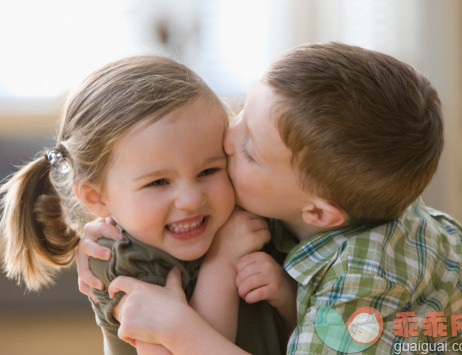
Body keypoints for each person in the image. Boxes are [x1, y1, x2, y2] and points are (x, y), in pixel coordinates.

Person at [77, 42, 462, 354]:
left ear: (318, 213)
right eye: (241, 116)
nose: (228, 140)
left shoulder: (362, 280)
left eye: (250, 150)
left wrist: (181, 330)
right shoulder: (350, 190)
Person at [0, 56, 293, 354]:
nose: (191, 199)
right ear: (96, 197)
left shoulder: (240, 218)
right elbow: (190, 344)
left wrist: (286, 296)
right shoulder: (123, 262)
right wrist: (223, 260)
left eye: (208, 171)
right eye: (158, 183)